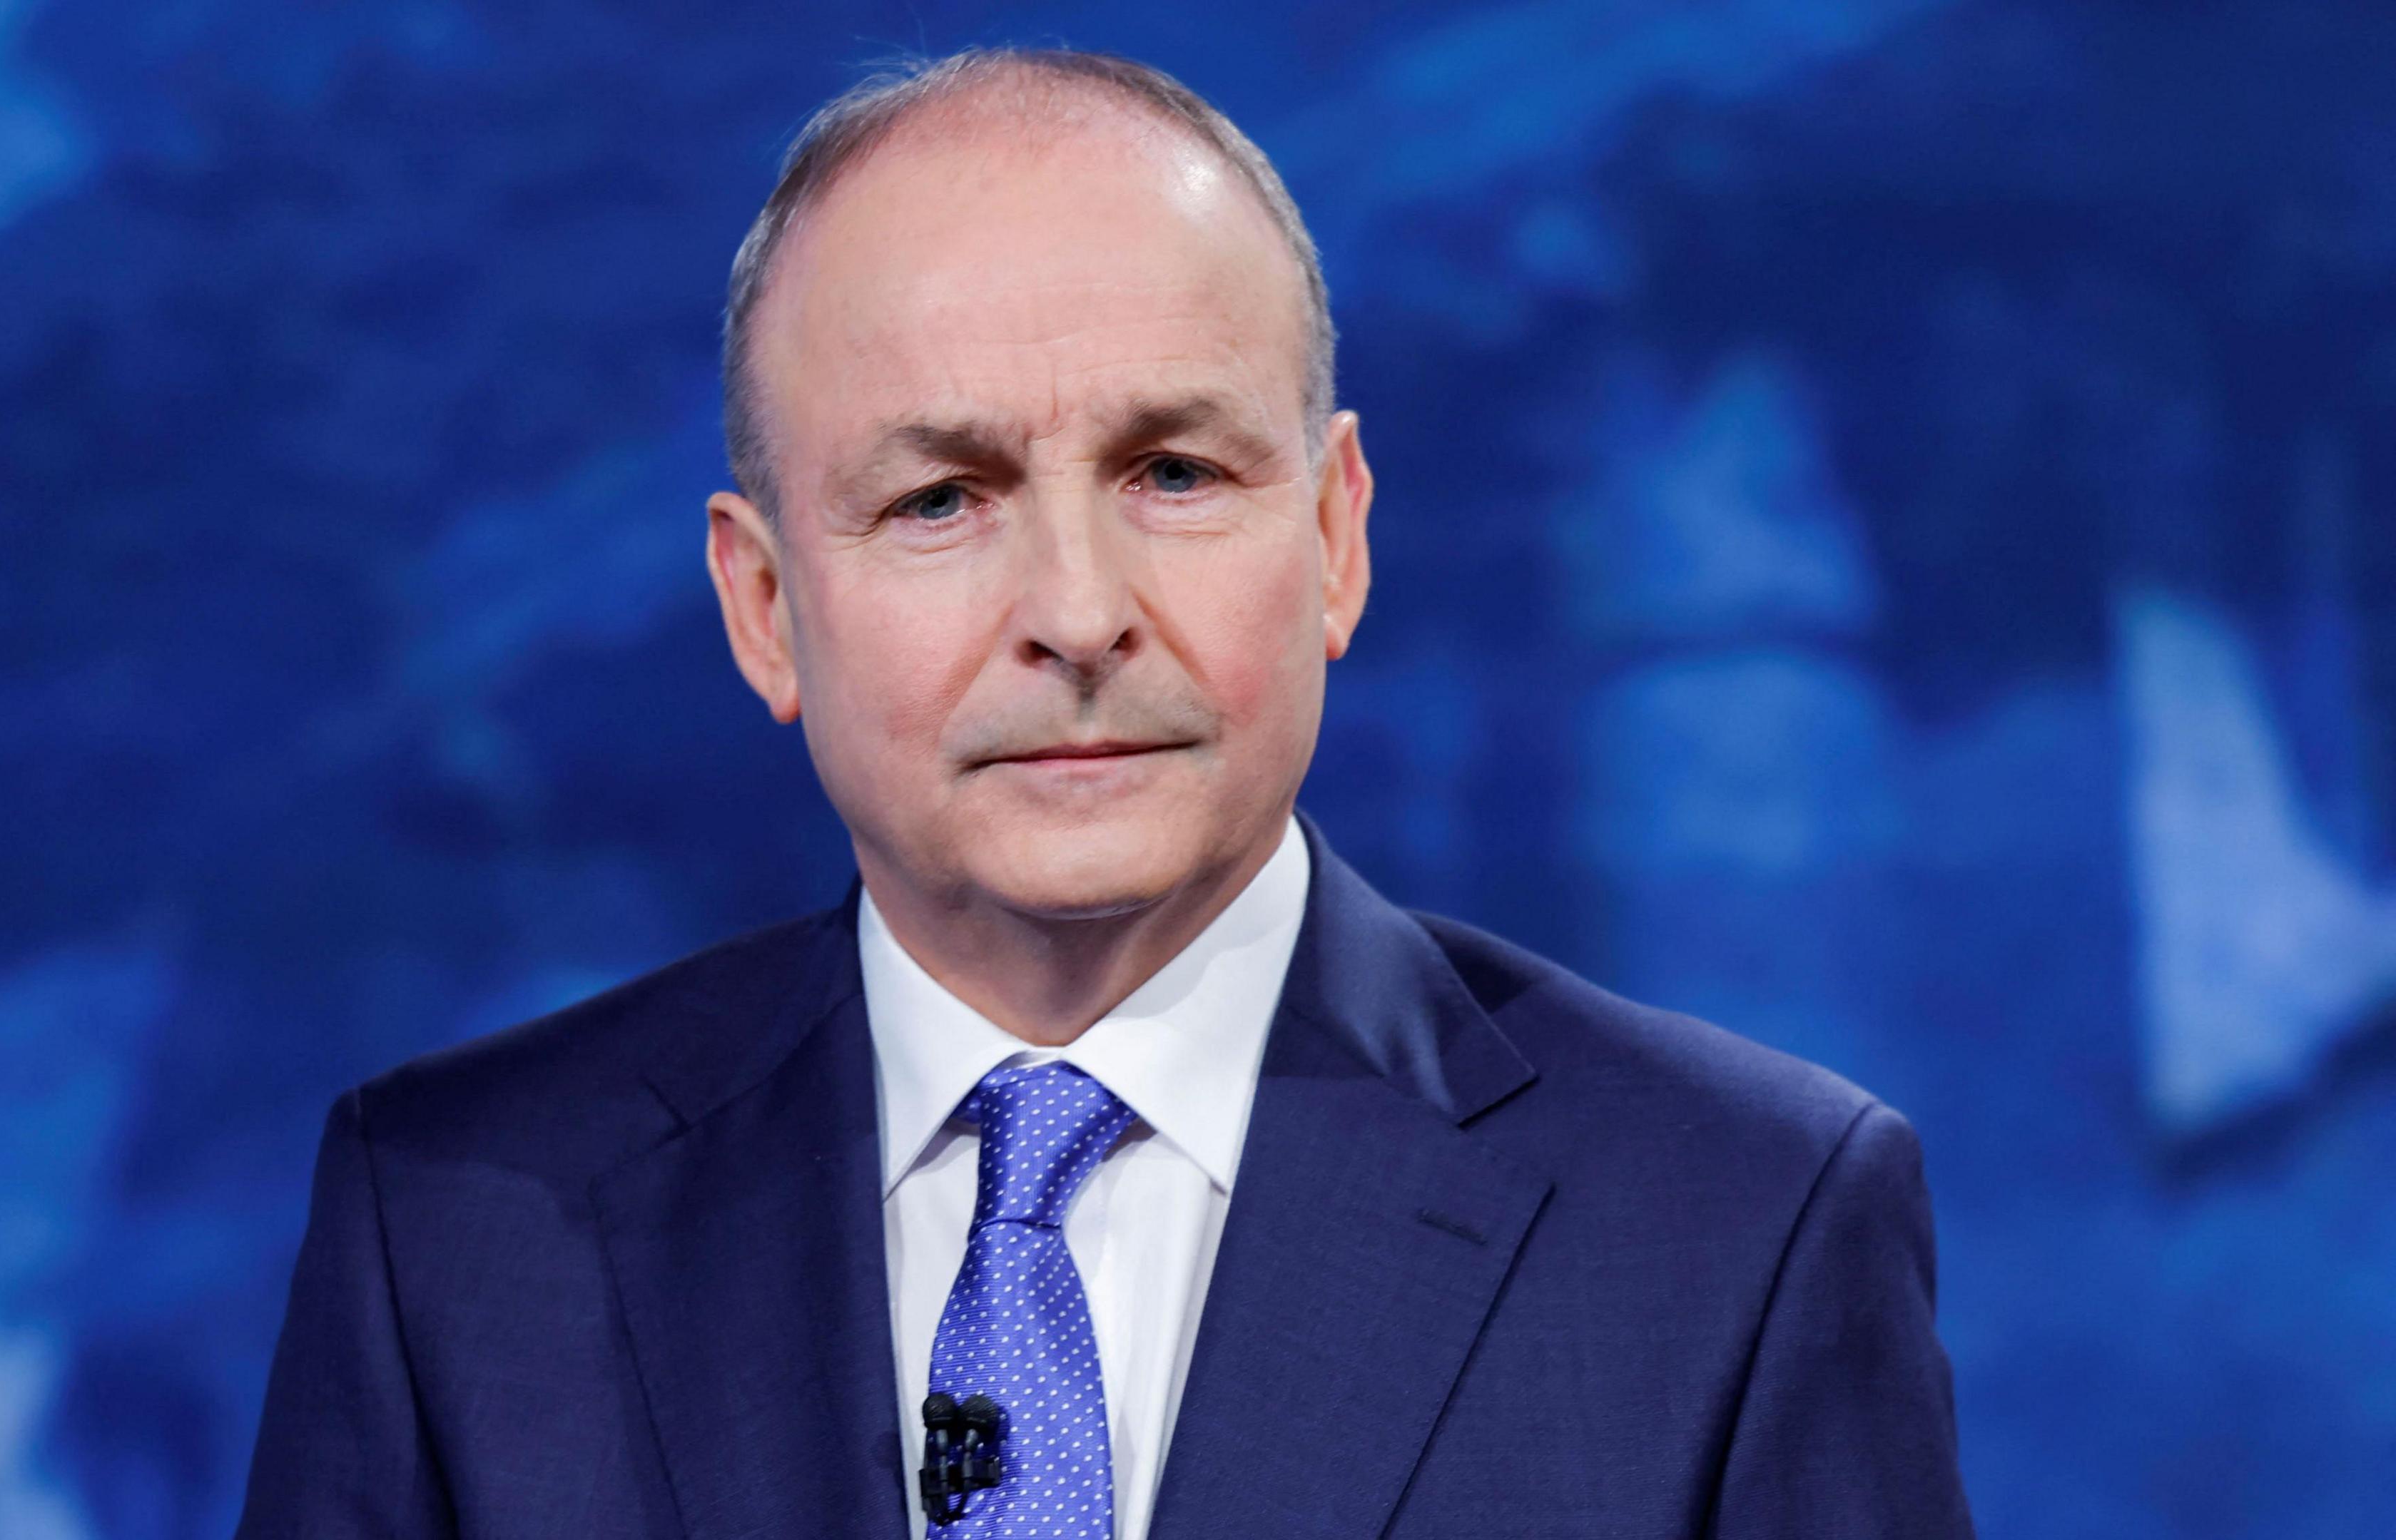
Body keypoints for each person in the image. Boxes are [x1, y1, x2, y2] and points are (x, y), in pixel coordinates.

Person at [236, 47, 1974, 1540]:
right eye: (940, 500)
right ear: (764, 608)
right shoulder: (454, 1230)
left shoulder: (1742, 1227)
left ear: (1335, 536)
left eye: (1173, 471)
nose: (1077, 614)